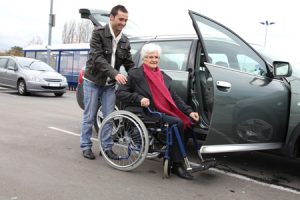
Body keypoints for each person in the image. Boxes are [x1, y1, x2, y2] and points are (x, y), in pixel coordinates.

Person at [116, 43, 199, 180]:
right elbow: (121, 93)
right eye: (150, 57)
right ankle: (177, 164)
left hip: (164, 110)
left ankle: (174, 157)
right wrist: (139, 98)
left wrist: (189, 111)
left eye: (156, 57)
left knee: (188, 121)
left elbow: (175, 98)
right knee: (177, 123)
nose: (154, 60)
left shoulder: (163, 76)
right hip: (147, 112)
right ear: (144, 59)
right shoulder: (135, 74)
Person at [80, 5, 135, 160]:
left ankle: (106, 148)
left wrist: (140, 75)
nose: (123, 23)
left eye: (126, 20)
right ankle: (85, 146)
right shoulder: (98, 33)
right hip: (92, 81)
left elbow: (129, 63)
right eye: (120, 19)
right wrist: (115, 73)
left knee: (109, 116)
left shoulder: (124, 40)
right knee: (89, 116)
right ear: (111, 17)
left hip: (109, 85)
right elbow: (97, 58)